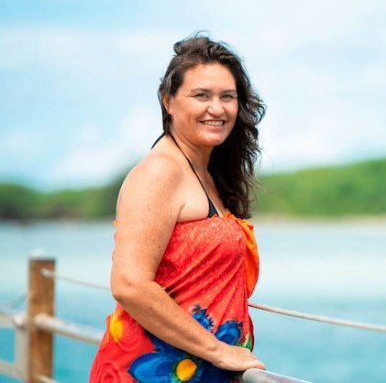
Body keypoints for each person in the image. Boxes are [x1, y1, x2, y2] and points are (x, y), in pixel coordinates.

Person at [90, 34, 266, 382]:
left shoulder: (206, 173)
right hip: (149, 372)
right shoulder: (161, 171)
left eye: (227, 97)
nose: (217, 108)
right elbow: (129, 284)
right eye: (201, 95)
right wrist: (218, 350)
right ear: (168, 100)